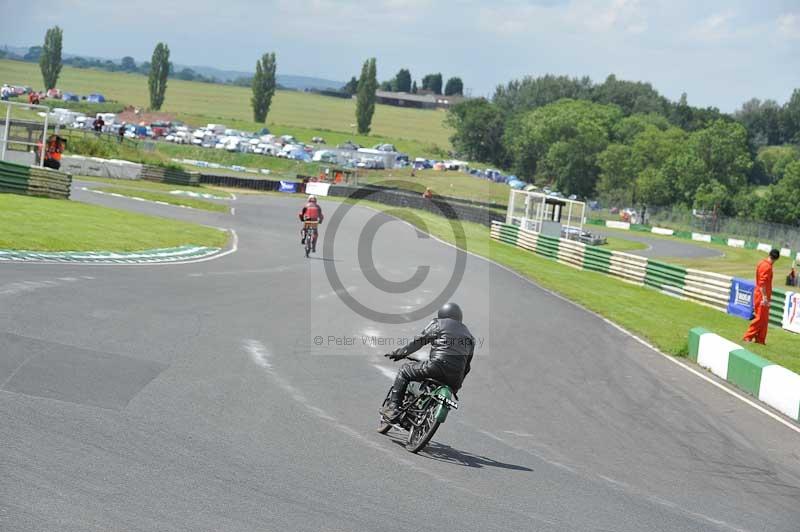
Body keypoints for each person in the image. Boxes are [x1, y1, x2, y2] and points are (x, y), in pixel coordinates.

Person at [381, 303, 475, 421]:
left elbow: (419, 341)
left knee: (404, 370)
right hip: (456, 377)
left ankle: (393, 407)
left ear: (442, 314)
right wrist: (456, 386)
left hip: (436, 366)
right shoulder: (470, 338)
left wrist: (400, 353)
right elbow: (467, 366)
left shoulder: (439, 323)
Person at [743, 249, 780, 345]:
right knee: (760, 318)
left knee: (764, 319)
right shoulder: (767, 267)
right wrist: (764, 297)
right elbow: (762, 283)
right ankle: (748, 336)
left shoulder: (762, 263)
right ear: (776, 259)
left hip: (761, 294)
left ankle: (760, 339)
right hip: (762, 296)